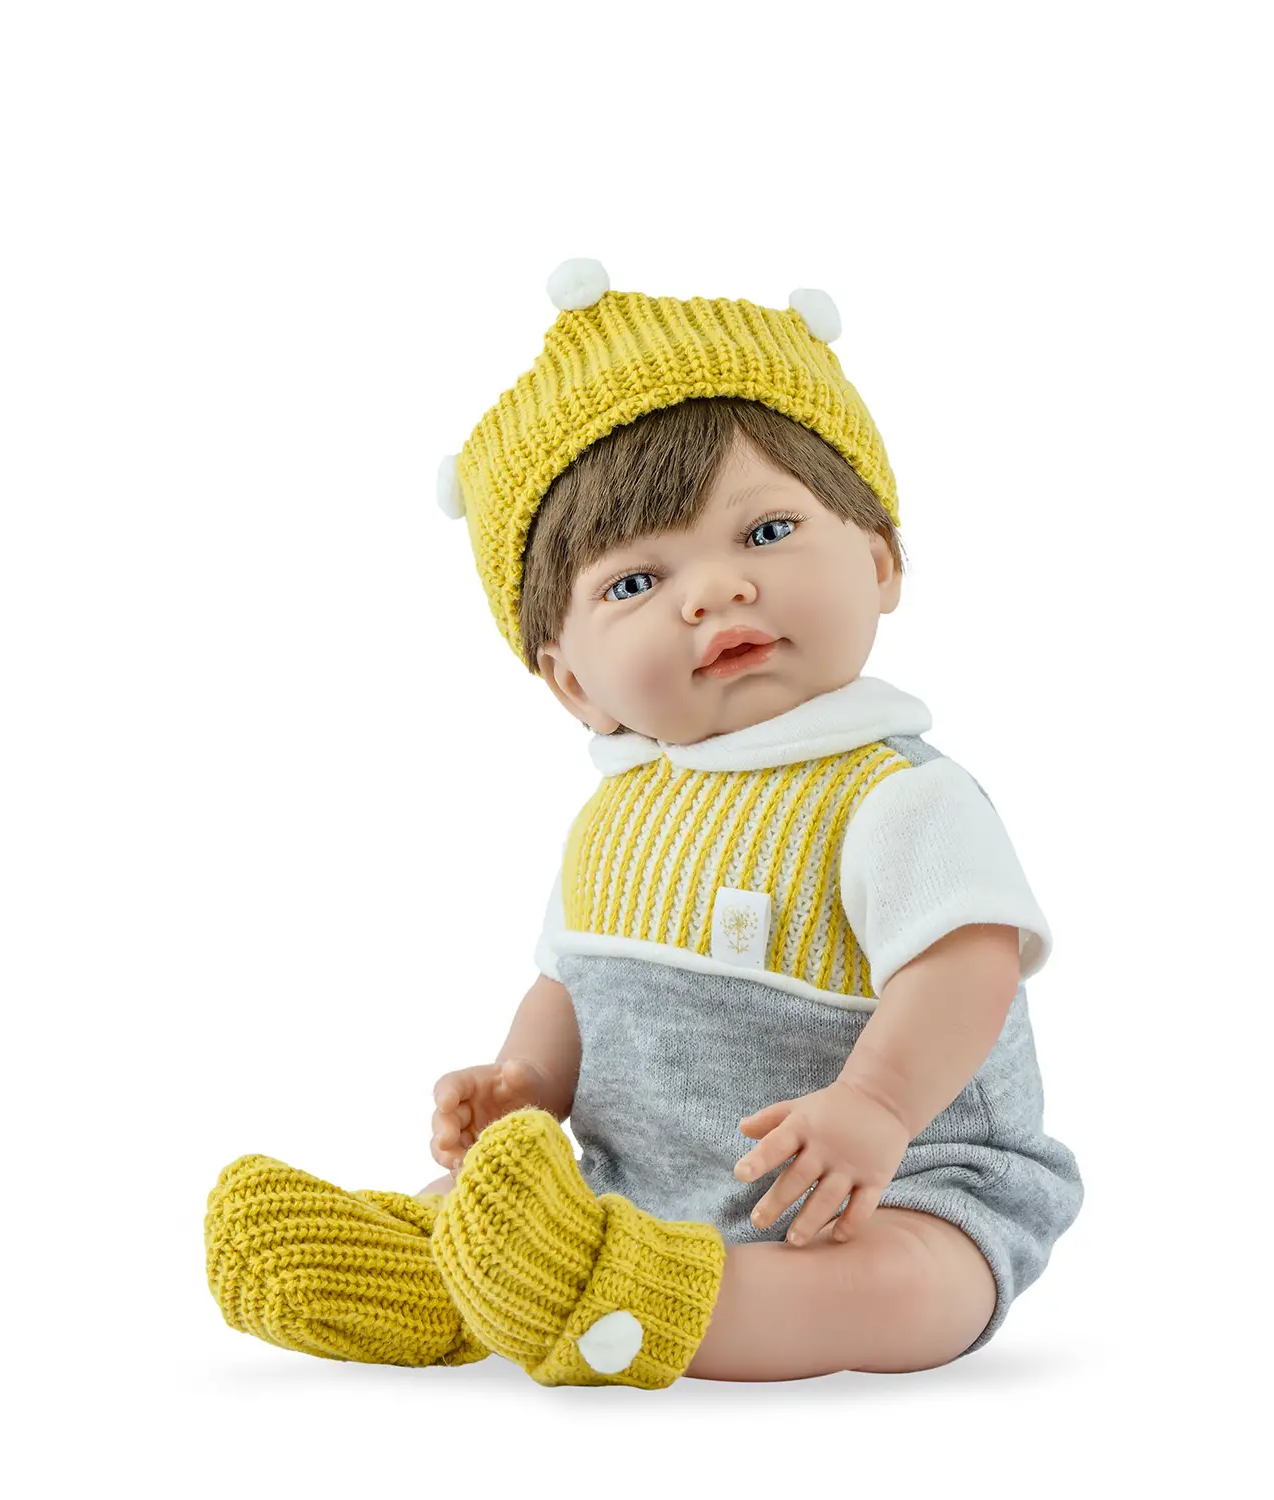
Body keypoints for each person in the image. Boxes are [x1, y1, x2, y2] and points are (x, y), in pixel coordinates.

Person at [204, 258, 1082, 1388]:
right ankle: (431, 1271)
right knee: (490, 1203)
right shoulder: (615, 821)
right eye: (633, 583)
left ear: (878, 558)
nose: (712, 591)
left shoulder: (896, 795)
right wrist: (523, 1081)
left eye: (765, 532)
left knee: (915, 1288)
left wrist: (874, 1105)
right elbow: (574, 983)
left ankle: (623, 1304)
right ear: (572, 682)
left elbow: (969, 965)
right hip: (645, 1189)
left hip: (887, 1185)